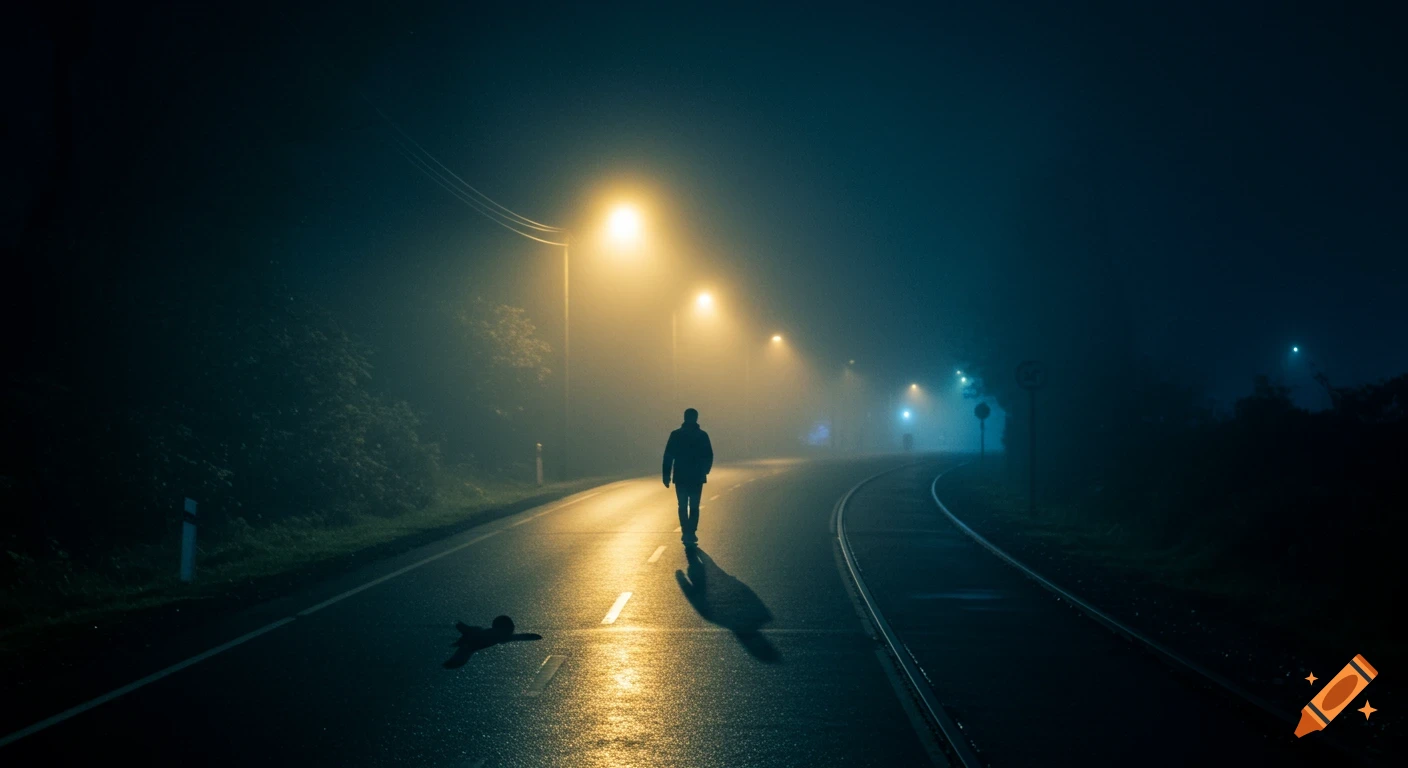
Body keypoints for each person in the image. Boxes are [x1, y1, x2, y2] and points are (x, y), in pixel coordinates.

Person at [662, 408, 714, 545]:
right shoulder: (702, 435)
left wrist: (666, 475)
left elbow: (668, 456)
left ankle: (686, 531)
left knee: (683, 505)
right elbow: (709, 455)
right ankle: (690, 532)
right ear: (696, 418)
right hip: (696, 476)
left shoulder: (676, 435)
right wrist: (705, 470)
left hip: (681, 476)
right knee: (694, 505)